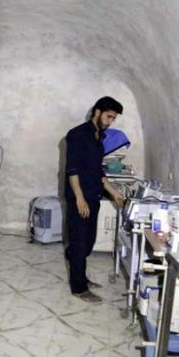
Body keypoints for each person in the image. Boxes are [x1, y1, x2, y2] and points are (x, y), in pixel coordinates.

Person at [64, 96, 126, 303]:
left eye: (113, 118)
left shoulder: (98, 136)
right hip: (79, 197)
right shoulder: (77, 135)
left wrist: (114, 192)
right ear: (97, 112)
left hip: (93, 196)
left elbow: (98, 171)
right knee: (80, 242)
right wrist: (79, 199)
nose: (110, 121)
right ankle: (79, 288)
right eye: (109, 116)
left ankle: (75, 261)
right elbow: (72, 170)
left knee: (88, 242)